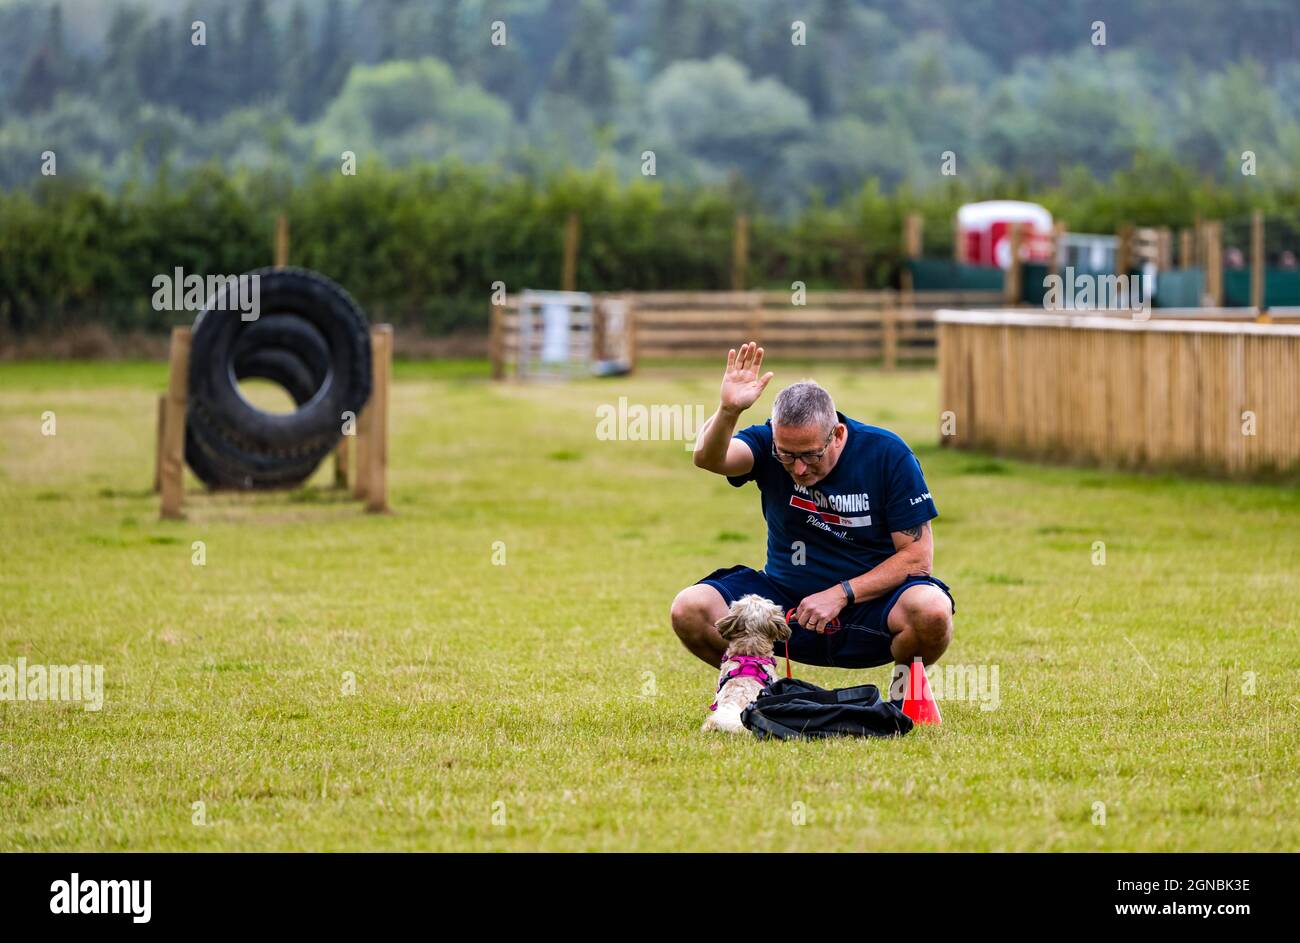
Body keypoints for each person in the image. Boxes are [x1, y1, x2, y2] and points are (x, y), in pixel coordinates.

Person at [671, 343, 954, 697]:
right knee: (689, 608)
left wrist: (841, 594)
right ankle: (758, 687)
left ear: (836, 434)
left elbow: (917, 558)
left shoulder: (888, 454)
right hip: (784, 604)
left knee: (932, 611)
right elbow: (710, 459)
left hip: (869, 608)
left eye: (810, 455)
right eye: (786, 456)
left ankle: (903, 693)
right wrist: (728, 411)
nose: (799, 468)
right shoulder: (766, 443)